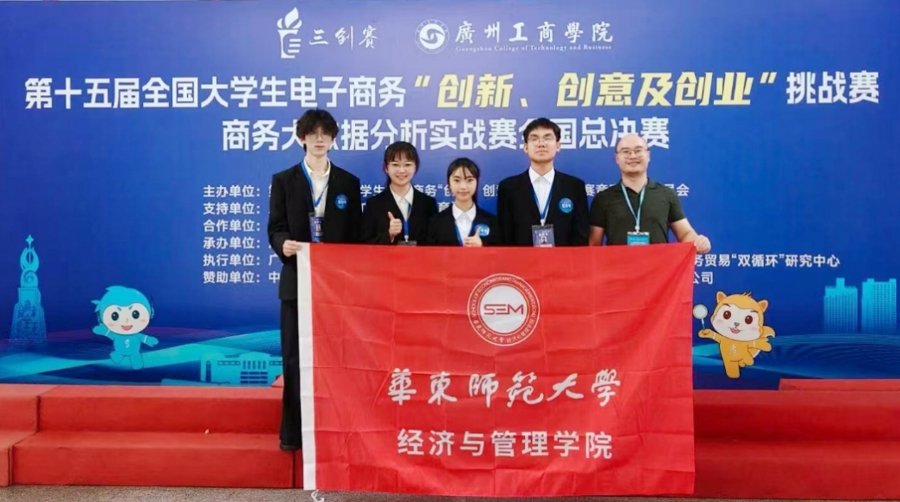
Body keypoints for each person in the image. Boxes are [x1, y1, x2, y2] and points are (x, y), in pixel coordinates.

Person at [267, 108, 362, 451]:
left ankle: (335, 430)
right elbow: (275, 227)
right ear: (302, 138)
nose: (319, 139)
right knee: (295, 359)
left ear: (333, 139)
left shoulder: (348, 183)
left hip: (336, 286)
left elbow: (355, 236)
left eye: (325, 134)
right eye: (312, 133)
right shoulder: (284, 180)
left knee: (337, 359)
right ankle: (293, 435)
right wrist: (283, 244)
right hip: (297, 281)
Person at [588, 133, 711, 253]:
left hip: (659, 267)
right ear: (617, 158)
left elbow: (685, 233)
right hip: (618, 267)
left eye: (638, 150)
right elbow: (593, 245)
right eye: (625, 151)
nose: (632, 156)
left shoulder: (666, 195)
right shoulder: (603, 199)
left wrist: (699, 242)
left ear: (648, 155)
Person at [496, 118, 589, 247]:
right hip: (521, 259)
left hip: (564, 259)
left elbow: (581, 236)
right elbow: (505, 236)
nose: (541, 144)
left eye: (547, 138)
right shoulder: (508, 187)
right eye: (534, 139)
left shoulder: (574, 186)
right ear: (525, 147)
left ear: (558, 146)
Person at [360, 141, 437, 245]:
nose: (401, 170)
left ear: (416, 167)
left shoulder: (428, 204)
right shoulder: (373, 204)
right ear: (386, 168)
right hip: (386, 256)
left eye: (407, 164)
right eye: (395, 165)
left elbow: (434, 242)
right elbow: (364, 244)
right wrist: (389, 235)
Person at [425, 157, 499, 247]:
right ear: (449, 184)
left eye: (469, 180)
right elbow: (429, 254)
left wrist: (482, 246)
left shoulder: (492, 221)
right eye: (457, 180)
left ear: (477, 182)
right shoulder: (436, 222)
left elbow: (501, 253)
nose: (463, 186)